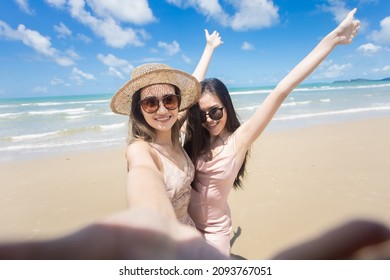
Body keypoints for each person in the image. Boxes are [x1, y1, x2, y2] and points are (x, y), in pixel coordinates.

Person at [184, 9, 361, 256]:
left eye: (215, 111)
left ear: (227, 107)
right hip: (186, 227)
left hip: (215, 232)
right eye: (201, 114)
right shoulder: (193, 141)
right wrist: (209, 49)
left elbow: (281, 89)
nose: (208, 120)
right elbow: (186, 97)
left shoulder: (239, 140)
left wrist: (332, 40)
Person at [109, 30, 222, 227]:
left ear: (179, 103)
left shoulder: (173, 129)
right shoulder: (140, 149)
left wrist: (209, 49)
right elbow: (143, 175)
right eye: (151, 103)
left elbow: (193, 83)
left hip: (190, 230)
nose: (162, 110)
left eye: (169, 100)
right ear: (139, 109)